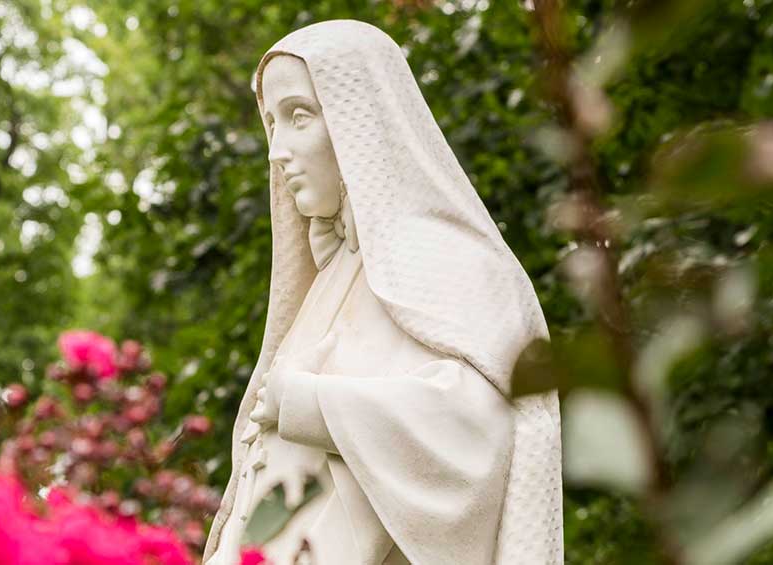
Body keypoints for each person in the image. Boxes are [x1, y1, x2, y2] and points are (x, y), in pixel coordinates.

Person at [203, 20, 562, 565]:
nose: (277, 151)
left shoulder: (453, 261)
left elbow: (480, 433)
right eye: (271, 123)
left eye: (299, 116)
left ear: (361, 119)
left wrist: (309, 402)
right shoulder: (329, 282)